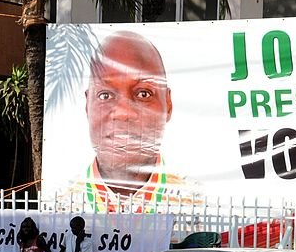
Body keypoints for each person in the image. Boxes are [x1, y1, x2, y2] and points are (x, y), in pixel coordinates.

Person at [68, 31, 200, 212]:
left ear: (168, 104)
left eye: (143, 94)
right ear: (87, 105)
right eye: (105, 95)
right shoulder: (59, 208)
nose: (123, 113)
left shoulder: (197, 207)